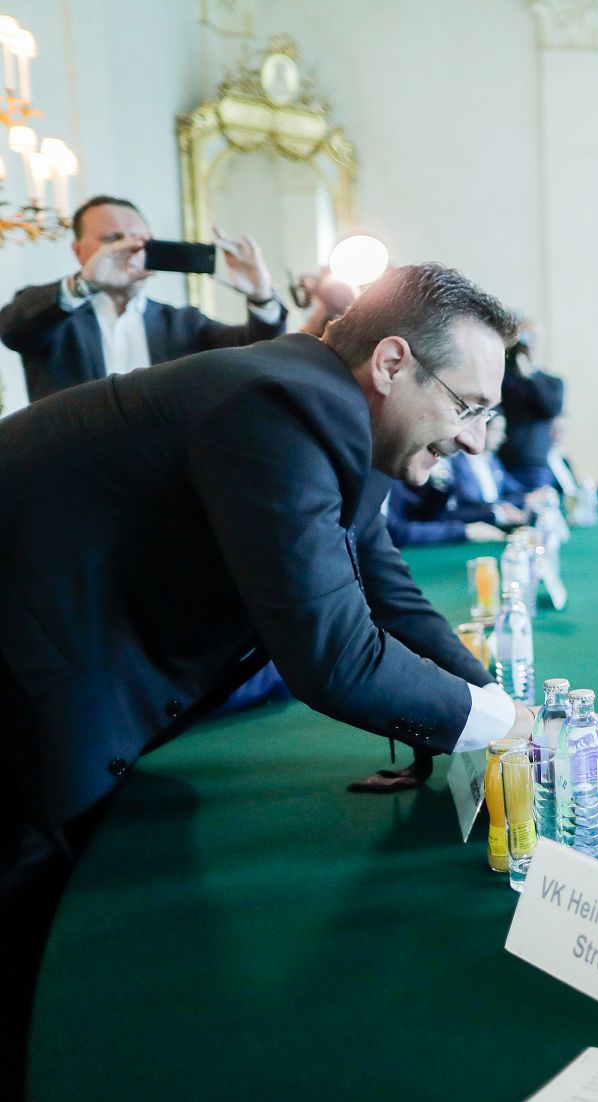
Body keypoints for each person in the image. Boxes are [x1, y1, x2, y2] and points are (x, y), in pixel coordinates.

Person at [0, 263, 541, 1076]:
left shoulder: (321, 404)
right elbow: (334, 656)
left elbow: (384, 589)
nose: (471, 440)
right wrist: (505, 727)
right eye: (467, 407)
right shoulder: (282, 405)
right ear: (392, 364)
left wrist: (492, 698)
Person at [0, 195, 287, 402]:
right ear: (78, 252)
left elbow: (257, 350)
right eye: (112, 239)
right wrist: (84, 285)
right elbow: (13, 330)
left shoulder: (183, 323)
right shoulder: (55, 316)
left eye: (139, 239)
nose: (130, 248)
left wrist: (262, 297)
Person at [385, 415, 531, 547]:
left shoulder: (492, 461)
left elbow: (430, 514)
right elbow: (395, 531)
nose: (502, 437)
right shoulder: (456, 462)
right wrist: (465, 530)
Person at [497, 317, 567, 490]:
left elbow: (551, 408)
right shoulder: (505, 378)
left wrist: (531, 374)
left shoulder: (552, 382)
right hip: (502, 462)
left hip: (535, 464)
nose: (529, 341)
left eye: (534, 337)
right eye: (525, 336)